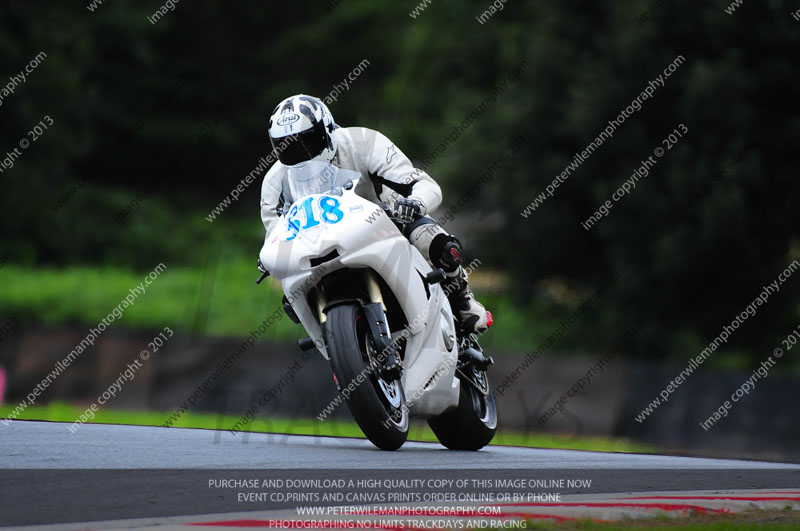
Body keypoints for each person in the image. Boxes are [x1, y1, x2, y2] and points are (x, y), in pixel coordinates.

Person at [260, 94, 492, 335]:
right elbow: (275, 235)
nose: (301, 153)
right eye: (287, 147)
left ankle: (462, 300)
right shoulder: (274, 182)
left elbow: (424, 184)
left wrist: (414, 203)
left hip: (382, 224)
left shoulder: (364, 142)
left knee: (435, 241)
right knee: (291, 296)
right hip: (316, 247)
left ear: (327, 130)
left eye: (307, 140)